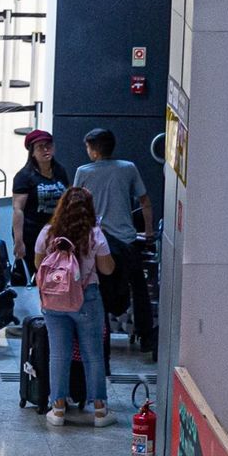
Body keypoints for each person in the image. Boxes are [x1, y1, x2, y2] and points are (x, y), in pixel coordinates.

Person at [34, 186, 116, 427]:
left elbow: (39, 264)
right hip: (86, 300)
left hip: (53, 301)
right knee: (93, 355)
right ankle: (100, 410)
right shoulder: (95, 236)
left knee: (59, 354)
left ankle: (57, 408)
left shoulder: (48, 233)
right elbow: (107, 269)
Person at [73, 127, 155, 349]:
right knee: (138, 285)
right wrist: (148, 232)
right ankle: (146, 335)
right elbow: (145, 201)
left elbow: (75, 206)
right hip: (127, 241)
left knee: (98, 289)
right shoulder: (128, 168)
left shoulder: (83, 172)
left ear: (94, 151)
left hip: (97, 242)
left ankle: (101, 340)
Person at [11, 128, 68, 272]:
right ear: (32, 152)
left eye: (48, 145)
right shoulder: (24, 176)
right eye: (40, 147)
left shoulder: (60, 171)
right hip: (32, 233)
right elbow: (18, 210)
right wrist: (19, 241)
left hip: (56, 231)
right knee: (37, 273)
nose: (45, 149)